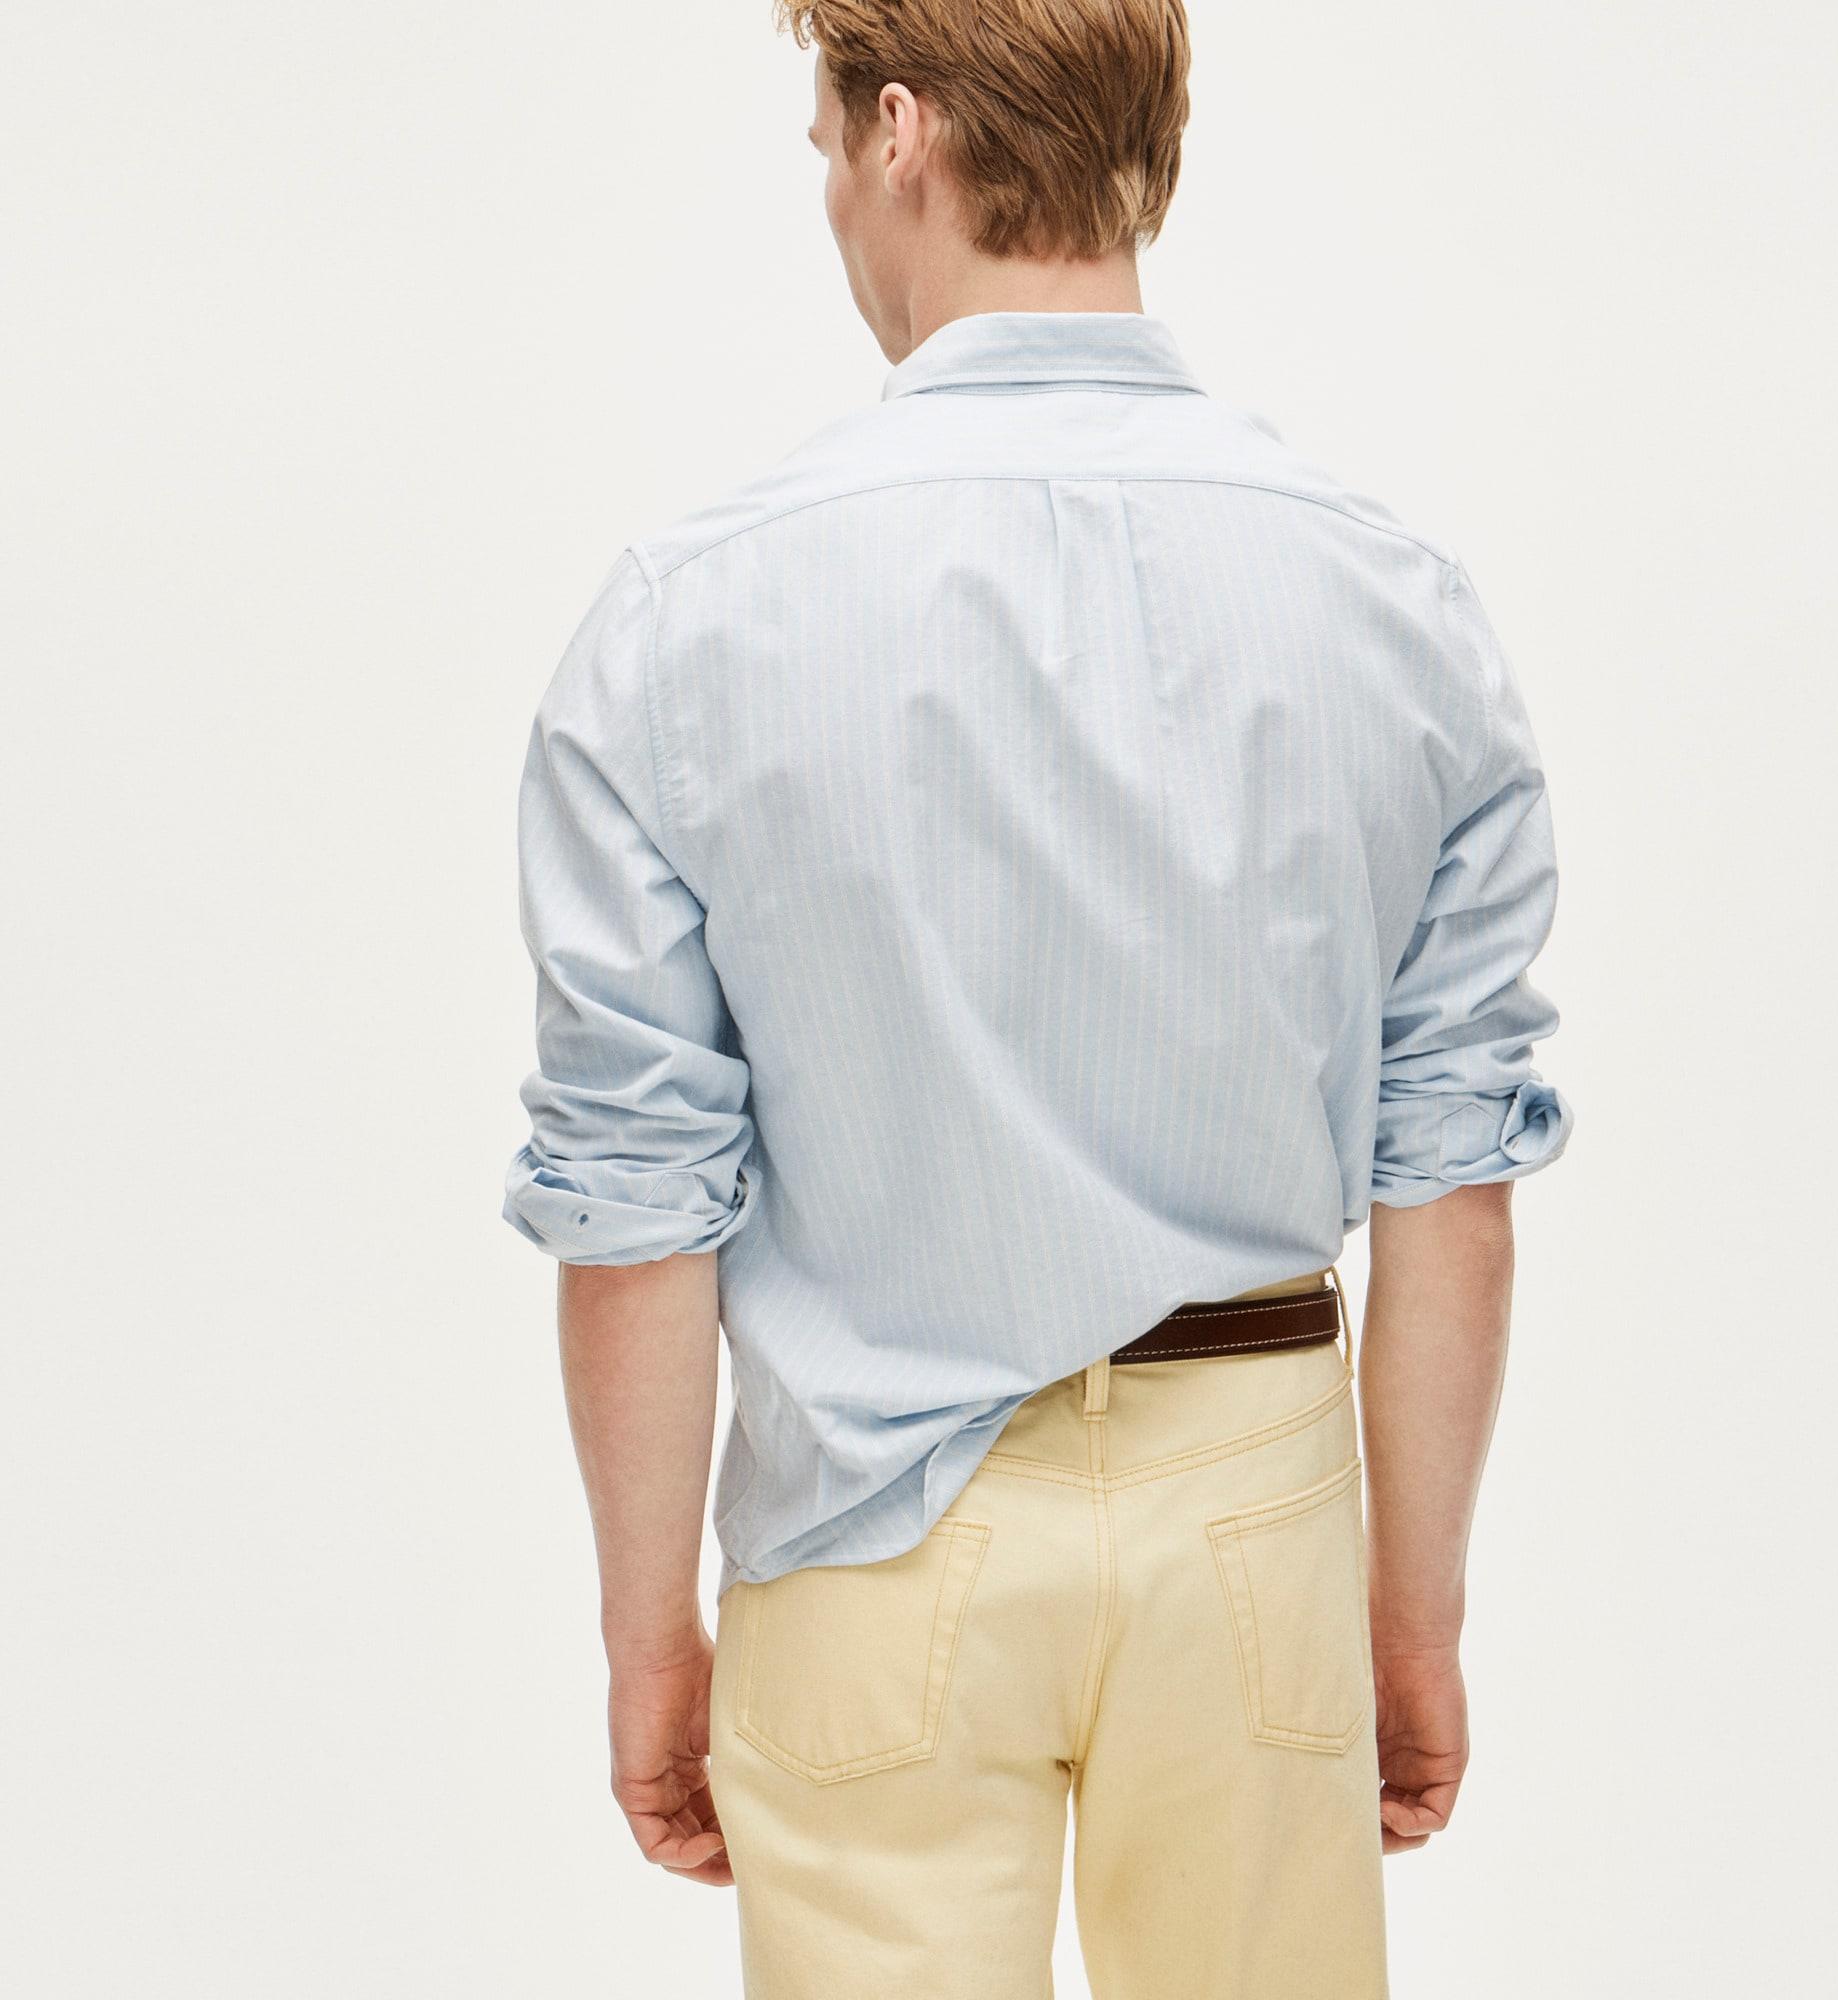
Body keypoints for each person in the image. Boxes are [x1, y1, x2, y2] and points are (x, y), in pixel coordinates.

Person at [500, 3, 1572, 1993]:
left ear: (901, 130)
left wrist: (651, 1638)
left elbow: (636, 1194)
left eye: (829, 140)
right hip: (1255, 1511)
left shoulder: (685, 621)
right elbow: (1452, 1176)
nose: (832, 189)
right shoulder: (1390, 603)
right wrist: (1409, 1614)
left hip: (868, 1533)